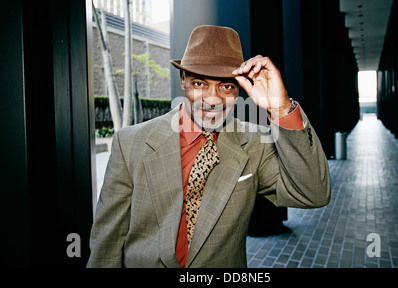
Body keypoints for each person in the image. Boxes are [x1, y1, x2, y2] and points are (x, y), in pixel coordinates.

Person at [87, 25, 330, 268]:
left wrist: (280, 105)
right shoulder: (130, 143)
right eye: (200, 83)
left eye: (226, 86)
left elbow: (313, 193)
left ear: (238, 89)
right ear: (183, 81)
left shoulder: (255, 144)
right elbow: (107, 243)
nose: (213, 99)